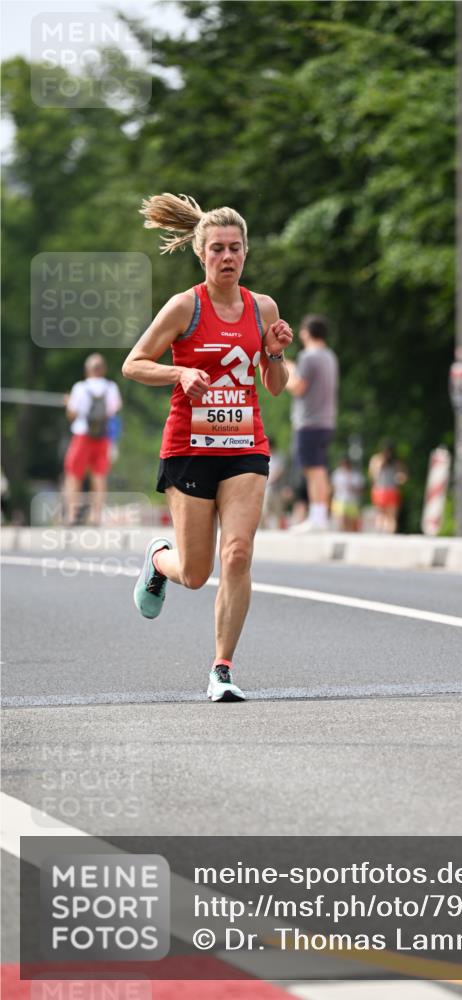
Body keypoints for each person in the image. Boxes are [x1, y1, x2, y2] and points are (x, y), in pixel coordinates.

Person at [122, 193, 293, 702]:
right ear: (202, 254)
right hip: (189, 448)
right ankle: (158, 562)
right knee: (196, 574)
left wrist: (277, 354)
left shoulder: (262, 307)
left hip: (244, 446)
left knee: (237, 554)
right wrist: (180, 371)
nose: (227, 257)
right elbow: (134, 363)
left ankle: (221, 668)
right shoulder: (184, 306)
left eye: (235, 248)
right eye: (217, 248)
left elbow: (276, 385)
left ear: (246, 253)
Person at [285, 314, 338, 531]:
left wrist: (287, 372)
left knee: (313, 470)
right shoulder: (329, 356)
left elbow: (298, 387)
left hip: (309, 422)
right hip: (326, 421)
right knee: (320, 469)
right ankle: (320, 515)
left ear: (306, 333)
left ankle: (317, 518)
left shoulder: (308, 357)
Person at [63, 353, 122, 526]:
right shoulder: (111, 387)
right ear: (103, 369)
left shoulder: (80, 388)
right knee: (99, 476)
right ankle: (97, 517)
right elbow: (113, 411)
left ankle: (72, 515)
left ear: (87, 370)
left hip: (82, 435)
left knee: (73, 475)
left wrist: (68, 403)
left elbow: (72, 414)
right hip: (102, 436)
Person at [368, 441, 408, 534]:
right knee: (386, 515)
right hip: (385, 490)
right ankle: (385, 533)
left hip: (384, 490)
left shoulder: (379, 460)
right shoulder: (389, 461)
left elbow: (372, 475)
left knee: (386, 515)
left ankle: (384, 533)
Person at [331, 456, 364, 532]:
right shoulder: (337, 474)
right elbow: (332, 487)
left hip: (352, 501)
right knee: (341, 520)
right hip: (339, 500)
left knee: (351, 523)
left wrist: (353, 488)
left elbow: (361, 489)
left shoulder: (356, 474)